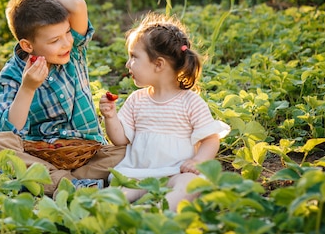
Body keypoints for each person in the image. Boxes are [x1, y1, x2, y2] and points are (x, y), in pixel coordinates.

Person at [0, 0, 126, 197]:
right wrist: (28, 87)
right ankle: (69, 183)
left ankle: (53, 182)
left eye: (67, 32)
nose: (66, 43)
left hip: (88, 155)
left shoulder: (74, 53)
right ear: (27, 45)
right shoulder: (12, 74)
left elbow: (77, 5)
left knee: (130, 150)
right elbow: (9, 130)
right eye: (54, 40)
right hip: (42, 157)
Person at [99, 11, 230, 211]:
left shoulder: (190, 102)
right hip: (138, 174)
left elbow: (210, 139)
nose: (128, 64)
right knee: (116, 194)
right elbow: (120, 139)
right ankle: (123, 209)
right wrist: (110, 117)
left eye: (134, 57)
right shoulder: (137, 100)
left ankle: (161, 211)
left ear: (158, 64)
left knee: (189, 184)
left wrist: (197, 161)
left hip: (174, 173)